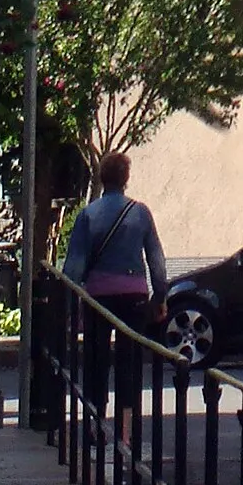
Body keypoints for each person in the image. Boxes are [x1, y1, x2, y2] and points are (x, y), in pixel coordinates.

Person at [64, 152, 169, 414]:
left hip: (98, 297)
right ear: (126, 178)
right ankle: (126, 426)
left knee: (96, 360)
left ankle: (94, 418)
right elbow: (156, 258)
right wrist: (160, 296)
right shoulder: (140, 212)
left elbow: (74, 265)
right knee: (129, 360)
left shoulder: (87, 215)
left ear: (101, 177)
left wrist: (69, 303)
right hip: (134, 295)